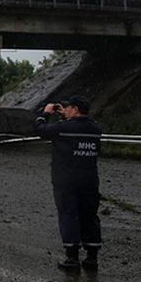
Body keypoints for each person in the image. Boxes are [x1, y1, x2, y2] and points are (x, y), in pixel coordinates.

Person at [33, 94, 103, 272]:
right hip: (89, 180)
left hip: (66, 181)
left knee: (68, 215)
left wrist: (45, 113)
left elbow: (40, 130)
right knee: (89, 216)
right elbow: (74, 129)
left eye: (69, 107)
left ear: (75, 109)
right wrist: (64, 116)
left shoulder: (63, 129)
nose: (67, 110)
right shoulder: (95, 129)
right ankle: (92, 258)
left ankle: (72, 259)